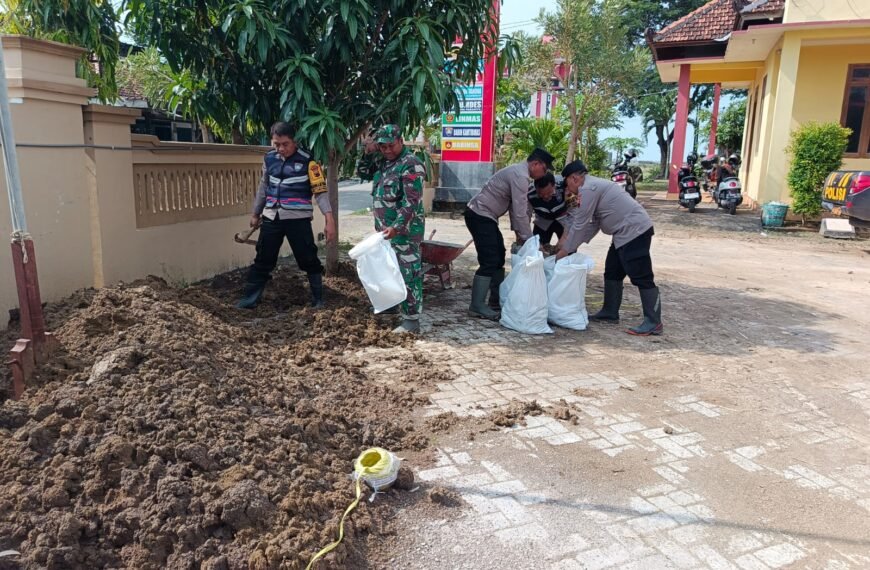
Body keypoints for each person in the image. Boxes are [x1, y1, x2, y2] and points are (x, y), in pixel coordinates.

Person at [556, 160, 662, 336]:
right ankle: (610, 312)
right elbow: (594, 223)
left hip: (634, 231)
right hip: (623, 233)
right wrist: (572, 247)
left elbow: (580, 224)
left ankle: (653, 322)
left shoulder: (589, 189)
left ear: (574, 178)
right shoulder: (592, 186)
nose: (567, 189)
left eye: (567, 183)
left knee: (641, 275)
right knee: (613, 270)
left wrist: (565, 250)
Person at [236, 122, 336, 309]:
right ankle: (249, 300)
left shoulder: (309, 161)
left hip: (298, 219)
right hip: (271, 217)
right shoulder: (269, 159)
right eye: (276, 144)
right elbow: (264, 188)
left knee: (308, 258)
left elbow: (320, 192)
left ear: (294, 141)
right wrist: (256, 213)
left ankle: (318, 299)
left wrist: (329, 220)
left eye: (285, 144)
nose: (280, 148)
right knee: (263, 258)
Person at [464, 148, 554, 320]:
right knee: (490, 258)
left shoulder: (520, 174)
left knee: (499, 255)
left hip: (486, 216)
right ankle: (477, 305)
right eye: (544, 169)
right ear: (535, 164)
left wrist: (520, 234)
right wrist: (529, 241)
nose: (544, 174)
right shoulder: (520, 176)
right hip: (480, 215)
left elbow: (515, 209)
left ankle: (495, 301)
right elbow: (520, 212)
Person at [369, 124, 426, 334]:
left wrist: (396, 227)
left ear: (401, 141)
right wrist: (367, 152)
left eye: (391, 146)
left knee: (408, 273)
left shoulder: (411, 165)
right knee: (389, 270)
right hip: (385, 232)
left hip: (405, 233)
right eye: (382, 147)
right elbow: (362, 171)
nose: (387, 150)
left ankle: (411, 321)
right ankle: (391, 305)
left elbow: (412, 202)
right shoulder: (384, 164)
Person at [528, 172, 567, 247]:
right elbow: (525, 217)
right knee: (536, 247)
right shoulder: (529, 193)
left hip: (563, 219)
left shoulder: (565, 185)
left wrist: (564, 238)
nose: (546, 197)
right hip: (542, 219)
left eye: (549, 193)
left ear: (554, 185)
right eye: (541, 195)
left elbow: (574, 211)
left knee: (568, 248)